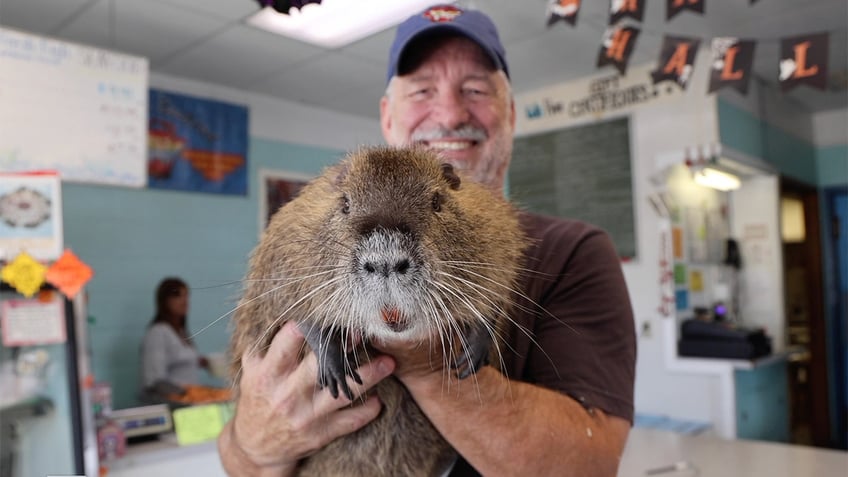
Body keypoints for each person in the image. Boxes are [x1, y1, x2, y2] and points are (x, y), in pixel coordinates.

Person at [218, 5, 636, 476]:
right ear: (387, 116)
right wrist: (252, 445)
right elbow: (243, 458)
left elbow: (591, 464)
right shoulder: (310, 227)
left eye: (475, 89)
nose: (451, 113)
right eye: (421, 90)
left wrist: (430, 364)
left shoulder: (573, 252)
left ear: (511, 114)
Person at [140, 277, 209, 399]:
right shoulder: (158, 332)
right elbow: (155, 380)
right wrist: (184, 394)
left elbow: (178, 361)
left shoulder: (181, 331)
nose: (184, 301)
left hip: (189, 402)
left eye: (186, 295)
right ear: (165, 300)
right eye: (178, 295)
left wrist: (197, 362)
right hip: (172, 402)